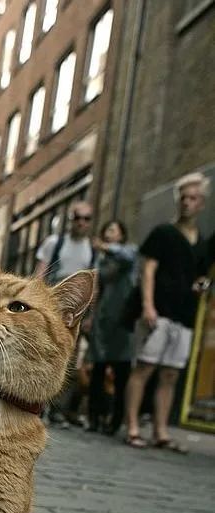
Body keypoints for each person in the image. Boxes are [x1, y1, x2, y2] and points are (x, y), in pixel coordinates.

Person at [124, 172, 213, 451]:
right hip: (158, 311)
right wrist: (148, 306)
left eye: (193, 198)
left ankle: (161, 431)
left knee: (171, 374)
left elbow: (201, 276)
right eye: (183, 198)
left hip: (184, 315)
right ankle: (133, 426)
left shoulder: (202, 242)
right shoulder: (163, 233)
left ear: (202, 203)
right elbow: (147, 270)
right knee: (145, 368)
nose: (187, 203)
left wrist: (202, 284)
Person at [35, 201, 96, 425]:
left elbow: (92, 284)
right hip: (51, 307)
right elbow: (40, 274)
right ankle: (37, 402)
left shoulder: (92, 248)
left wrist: (90, 315)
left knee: (67, 358)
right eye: (77, 217)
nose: (81, 222)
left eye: (86, 218)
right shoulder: (55, 242)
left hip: (75, 313)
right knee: (42, 354)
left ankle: (58, 407)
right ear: (71, 219)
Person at [86, 221, 138, 434]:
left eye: (113, 230)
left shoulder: (129, 251)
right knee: (97, 370)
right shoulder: (100, 259)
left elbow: (127, 257)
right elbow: (96, 287)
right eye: (106, 230)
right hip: (103, 318)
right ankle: (94, 418)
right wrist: (90, 316)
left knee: (121, 372)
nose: (108, 234)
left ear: (122, 235)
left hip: (124, 319)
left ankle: (116, 420)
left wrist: (105, 247)